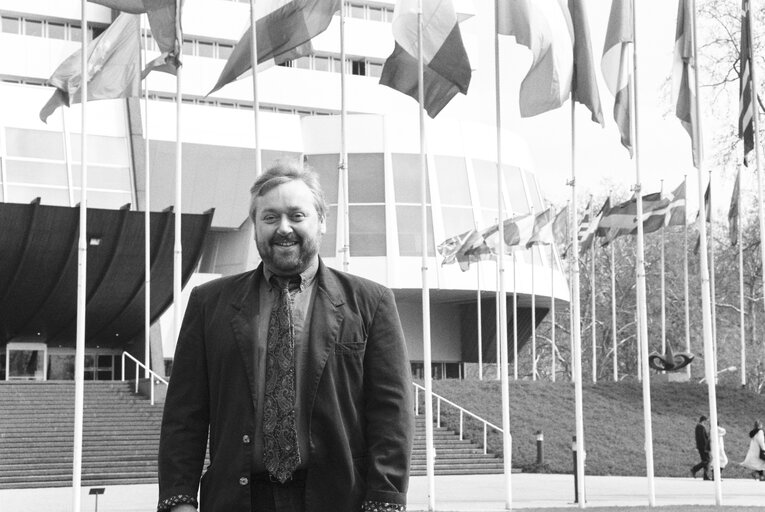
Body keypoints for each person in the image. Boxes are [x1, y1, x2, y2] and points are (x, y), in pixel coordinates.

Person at [157, 161, 414, 512]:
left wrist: (385, 501)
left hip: (339, 499)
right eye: (270, 217)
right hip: (238, 500)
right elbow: (184, 414)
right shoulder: (209, 303)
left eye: (297, 215)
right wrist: (179, 501)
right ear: (255, 227)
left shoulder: (371, 302)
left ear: (321, 221)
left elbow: (392, 414)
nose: (284, 228)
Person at [691, 415, 710, 480]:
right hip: (703, 447)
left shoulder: (700, 427)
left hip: (702, 446)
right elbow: (702, 438)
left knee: (706, 460)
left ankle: (705, 476)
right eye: (706, 421)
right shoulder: (700, 427)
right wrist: (706, 446)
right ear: (703, 420)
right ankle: (694, 469)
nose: (706, 423)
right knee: (706, 460)